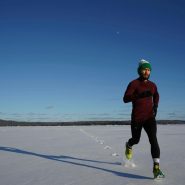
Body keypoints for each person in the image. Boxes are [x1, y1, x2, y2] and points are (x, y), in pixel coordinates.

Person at [123, 59, 165, 179]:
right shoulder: (134, 84)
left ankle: (156, 168)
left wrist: (155, 106)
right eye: (144, 69)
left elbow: (156, 94)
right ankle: (129, 145)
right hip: (137, 118)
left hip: (149, 117)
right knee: (136, 140)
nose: (147, 71)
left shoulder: (152, 85)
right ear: (139, 70)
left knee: (153, 140)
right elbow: (125, 98)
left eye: (148, 69)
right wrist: (138, 95)